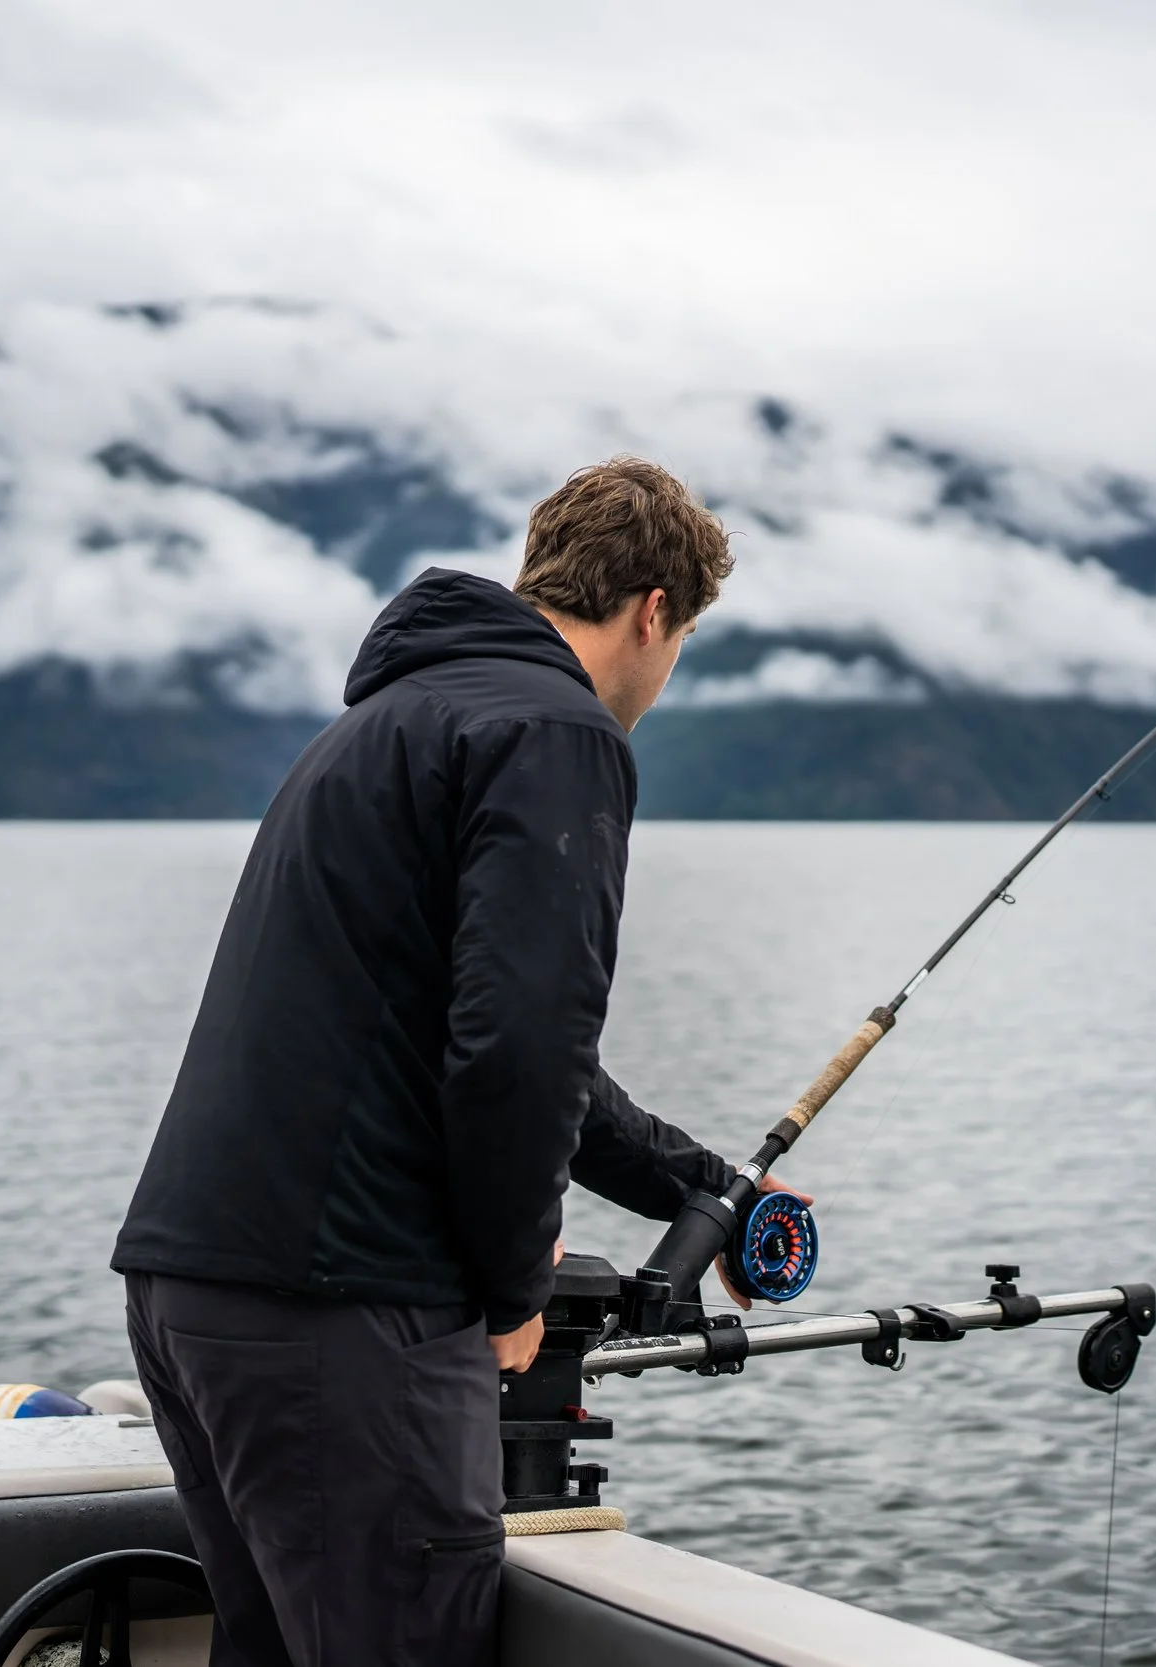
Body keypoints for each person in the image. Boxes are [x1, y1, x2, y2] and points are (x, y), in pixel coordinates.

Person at [112, 457, 793, 1666]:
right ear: (653, 612)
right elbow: (517, 1047)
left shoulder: (379, 725)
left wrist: (708, 1188)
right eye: (683, 638)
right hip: (342, 1310)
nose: (667, 667)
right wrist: (512, 1283)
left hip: (194, 1291)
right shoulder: (556, 731)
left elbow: (497, 1042)